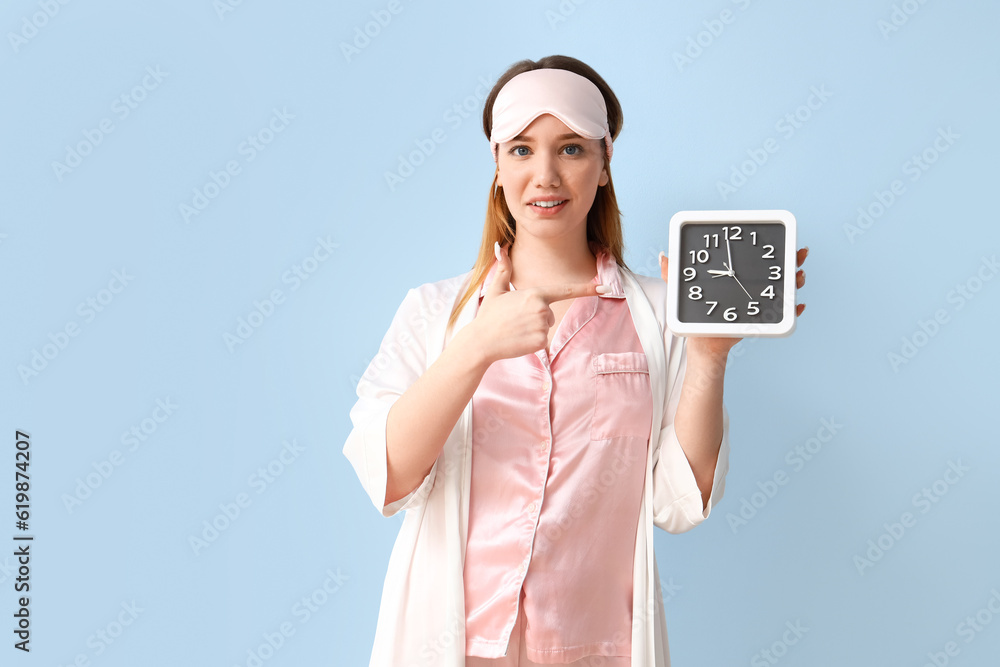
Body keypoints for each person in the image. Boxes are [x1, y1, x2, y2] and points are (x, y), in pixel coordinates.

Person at [344, 55, 808, 667]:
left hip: (598, 649)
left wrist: (708, 355)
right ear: (496, 165)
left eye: (570, 149)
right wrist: (477, 345)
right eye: (521, 150)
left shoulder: (657, 315)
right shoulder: (435, 314)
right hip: (453, 645)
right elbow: (389, 477)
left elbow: (678, 500)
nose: (545, 176)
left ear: (605, 163)